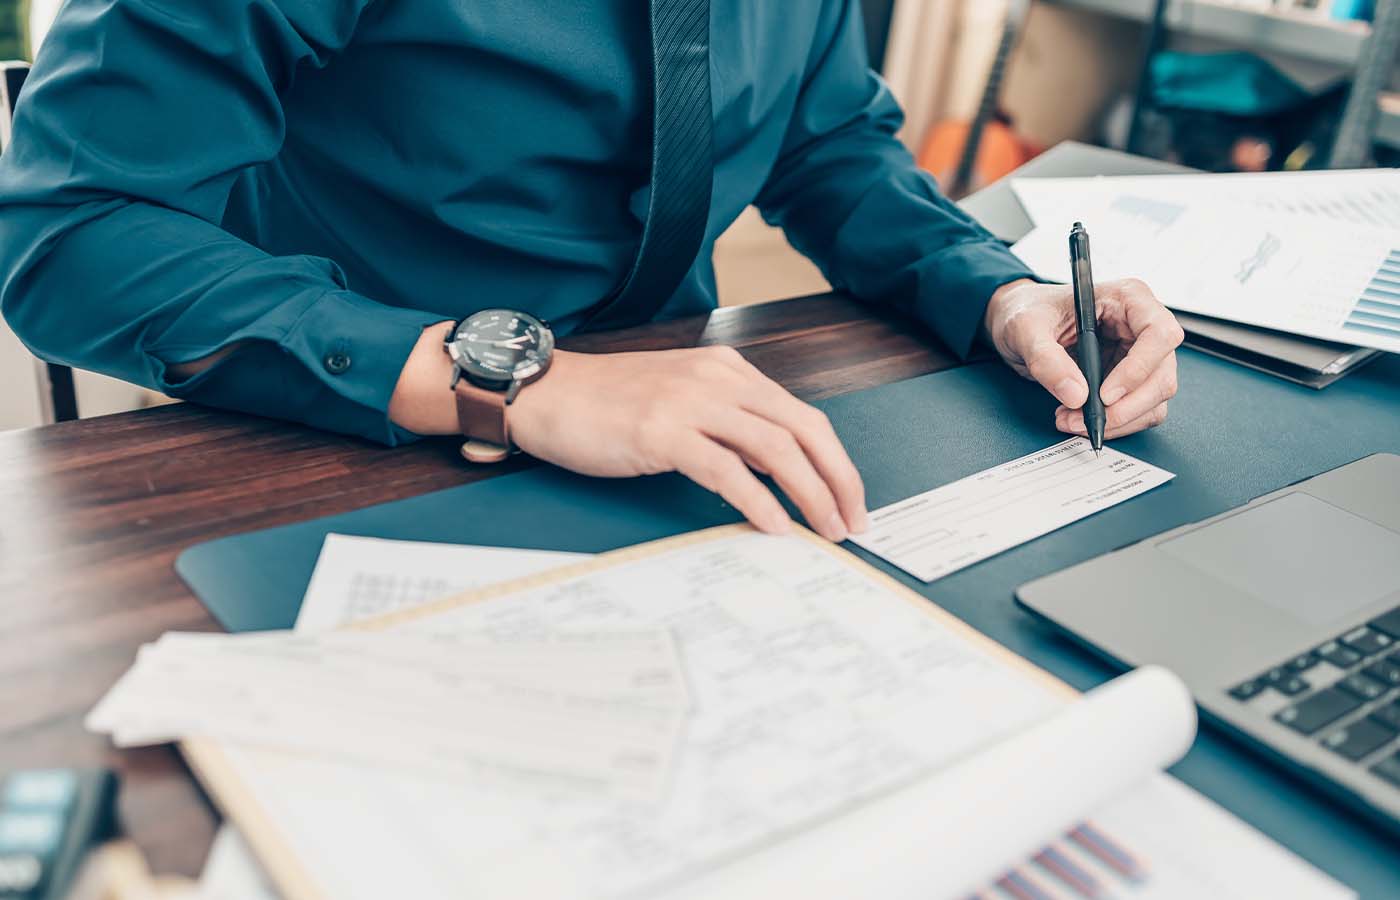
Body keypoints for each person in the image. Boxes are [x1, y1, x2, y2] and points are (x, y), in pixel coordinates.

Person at [0, 1, 1181, 542]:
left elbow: (825, 143)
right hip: (334, 431)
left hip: (679, 430)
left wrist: (997, 291)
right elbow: (72, 228)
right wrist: (522, 385)